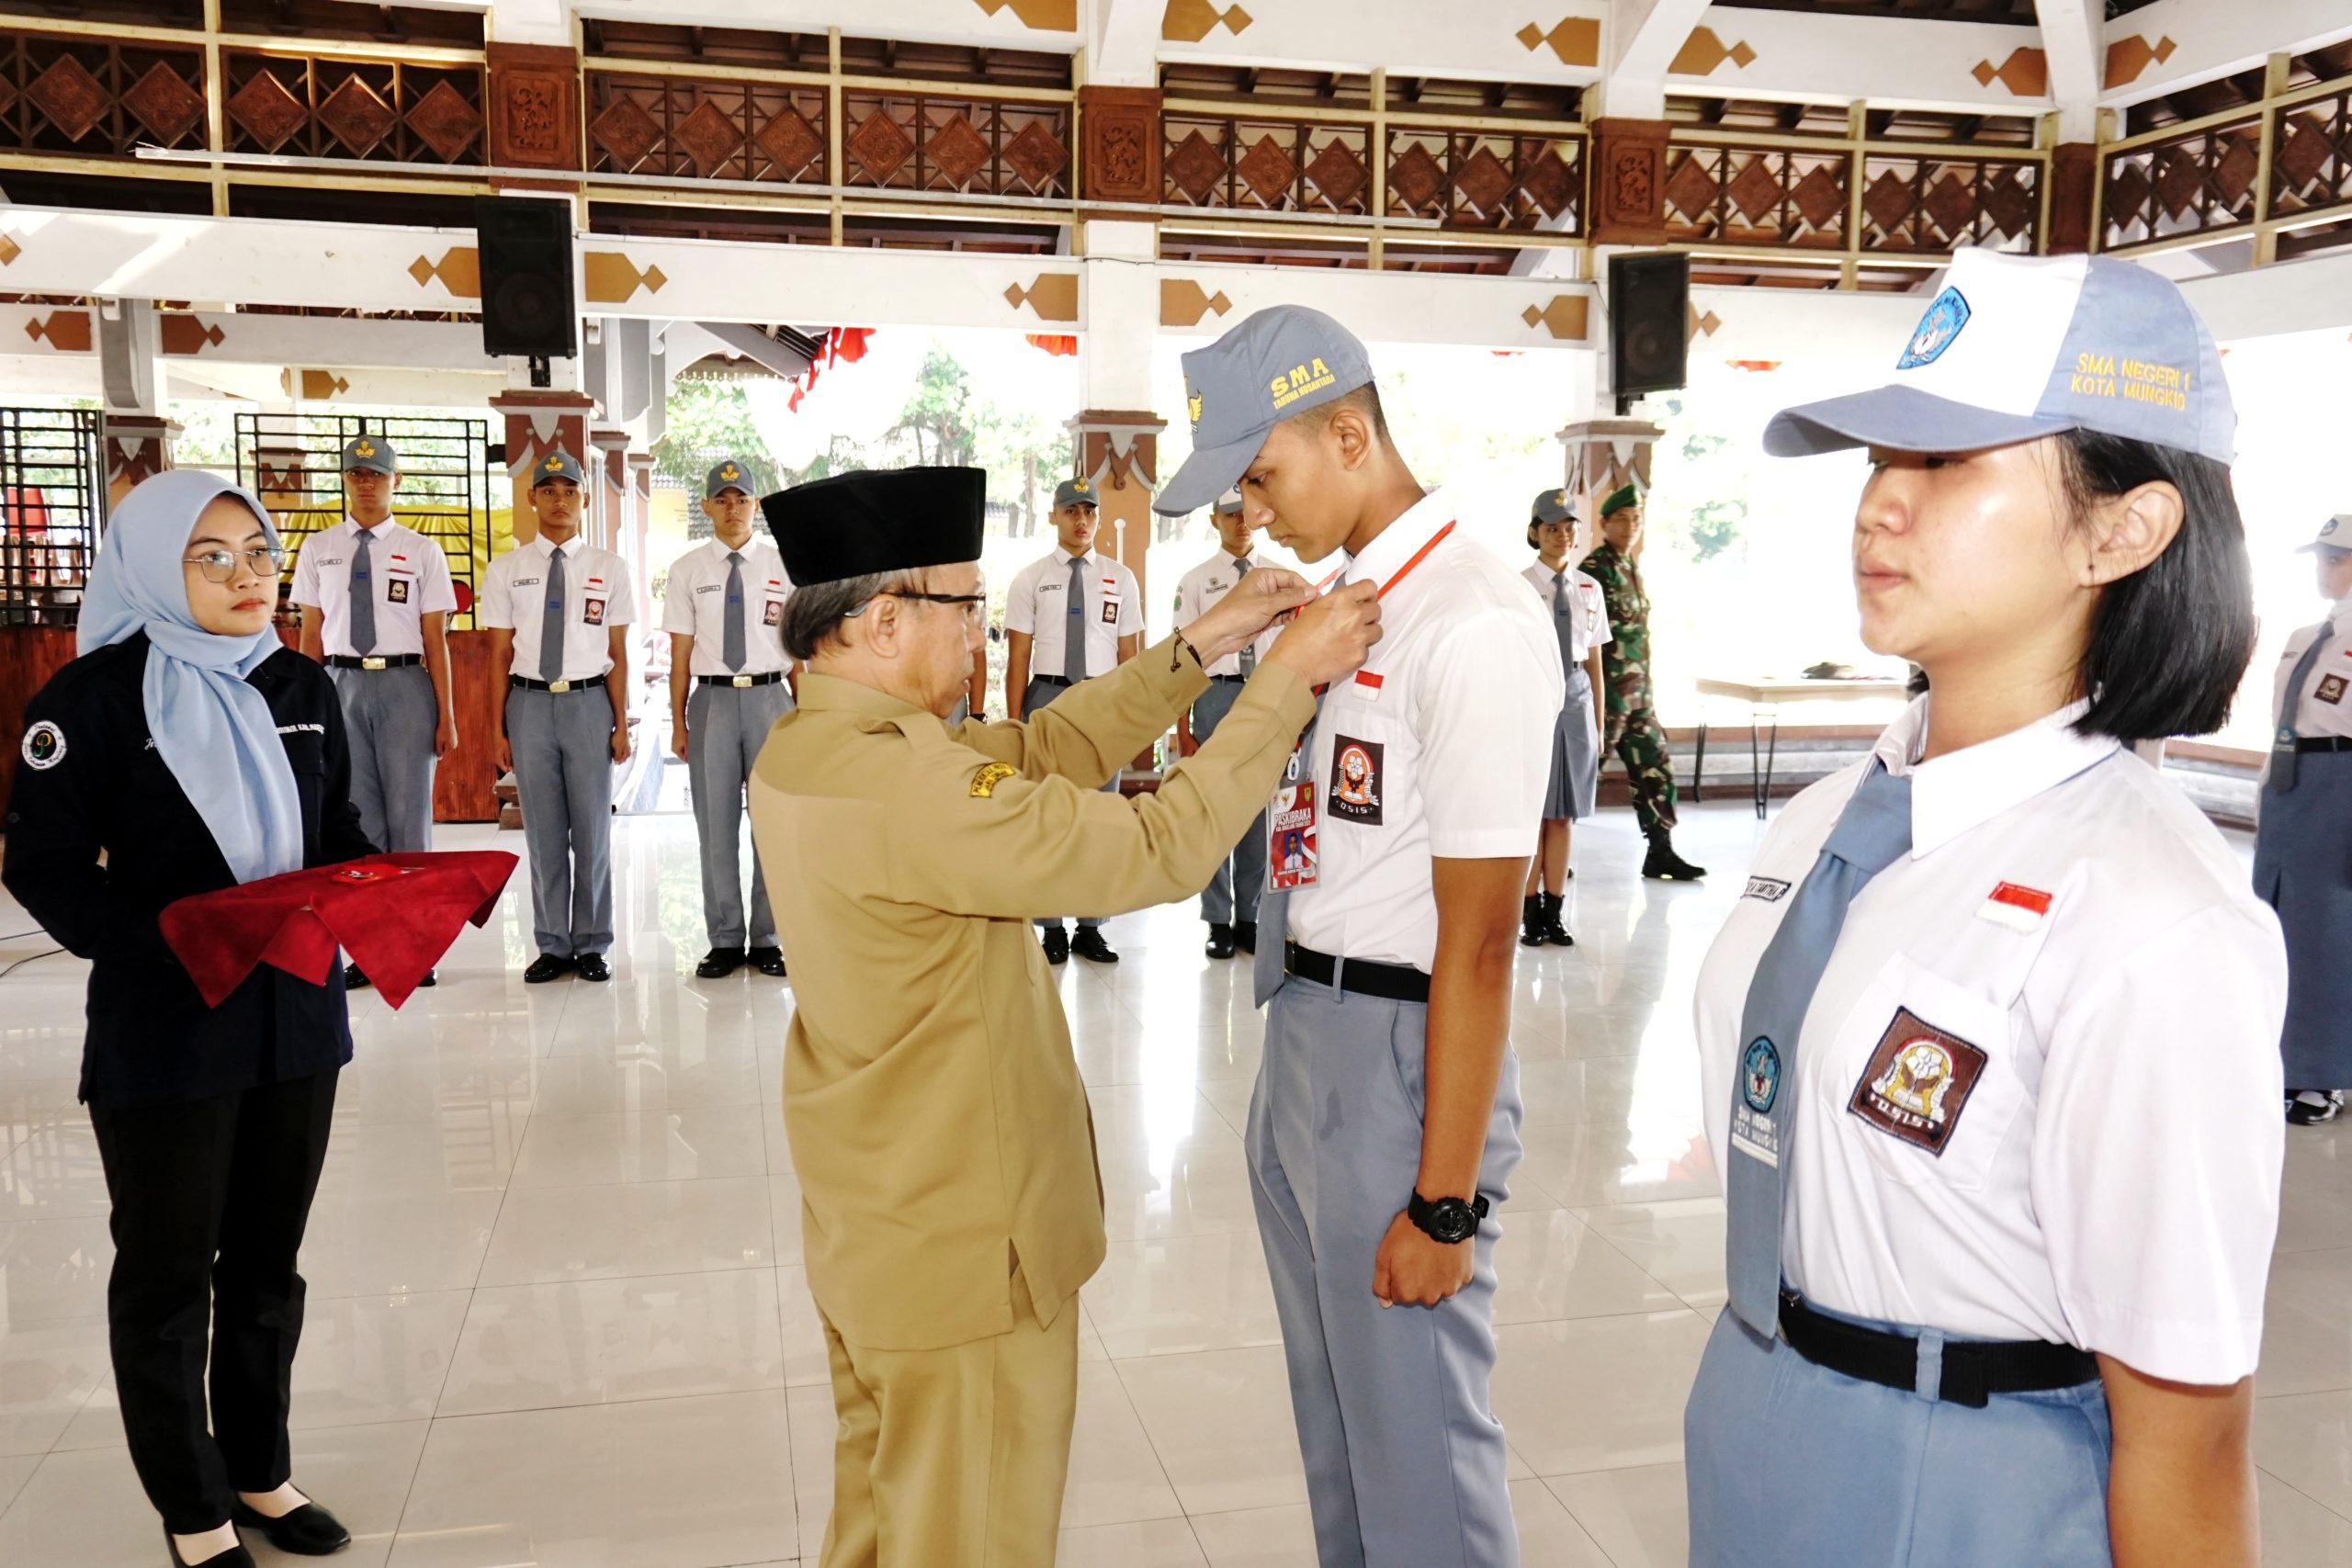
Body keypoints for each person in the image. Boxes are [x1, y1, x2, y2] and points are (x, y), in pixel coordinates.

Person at [1683, 249, 2285, 1568]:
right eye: (1879, 458)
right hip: (1757, 1404)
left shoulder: (2153, 913)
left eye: (1949, 463)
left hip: (1961, 1481)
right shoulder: (1832, 813)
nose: (1881, 505)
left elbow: (2188, 1432)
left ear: (2121, 529)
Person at [746, 465, 1380, 1568]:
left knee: (886, 1523)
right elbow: (1158, 847)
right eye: (966, 608)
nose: (981, 635)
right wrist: (1285, 680)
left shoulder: (817, 747)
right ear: (885, 619)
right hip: (965, 1248)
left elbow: (1045, 754)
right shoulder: (904, 786)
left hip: (882, 1230)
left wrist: (1209, 643)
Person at [1152, 304, 1563, 1568]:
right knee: (1340, 1429)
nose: (1256, 510)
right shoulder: (1349, 604)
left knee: (1418, 1446)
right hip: (1310, 1032)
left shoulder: (1474, 619)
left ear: (1348, 431)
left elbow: (1483, 943)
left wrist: (1441, 1203)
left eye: (1263, 475)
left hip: (1401, 1054)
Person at [4, 471, 372, 1568]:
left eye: (259, 552)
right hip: (168, 1030)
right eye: (213, 557)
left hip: (294, 1019)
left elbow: (336, 825)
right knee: (167, 1278)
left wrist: (379, 891)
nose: (248, 575)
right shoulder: (91, 702)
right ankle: (194, 1506)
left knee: (268, 1264)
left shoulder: (299, 680)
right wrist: (172, 936)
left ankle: (260, 1474)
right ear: (154, 568)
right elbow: (50, 871)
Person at [289, 434, 459, 989]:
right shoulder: (319, 549)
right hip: (338, 685)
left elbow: (436, 638)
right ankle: (370, 947)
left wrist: (447, 713)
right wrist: (302, 707)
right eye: (357, 474)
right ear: (345, 480)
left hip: (407, 684)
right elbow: (310, 634)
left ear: (395, 481)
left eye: (376, 474)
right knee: (357, 826)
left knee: (410, 823)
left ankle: (417, 948)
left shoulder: (422, 550)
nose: (366, 483)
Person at [480, 450, 636, 984]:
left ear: (584, 498)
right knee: (543, 832)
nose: (560, 499)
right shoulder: (506, 570)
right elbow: (499, 653)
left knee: (592, 829)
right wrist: (497, 726)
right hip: (528, 704)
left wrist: (620, 721)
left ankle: (592, 943)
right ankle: (552, 944)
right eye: (549, 490)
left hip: (589, 703)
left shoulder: (609, 569)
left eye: (569, 490)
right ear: (532, 498)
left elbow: (618, 650)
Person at [662, 456, 794, 980]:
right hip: (713, 700)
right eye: (723, 499)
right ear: (706, 507)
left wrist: (806, 715)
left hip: (771, 698)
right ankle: (723, 938)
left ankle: (766, 936)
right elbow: (679, 653)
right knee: (715, 825)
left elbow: (801, 650)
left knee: (773, 824)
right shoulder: (688, 570)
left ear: (755, 505)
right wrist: (677, 722)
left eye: (742, 498)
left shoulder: (783, 566)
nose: (733, 507)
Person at [1002, 475, 1143, 964]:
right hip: (1049, 699)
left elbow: (1131, 654)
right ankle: (1051, 928)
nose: (1081, 521)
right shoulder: (1031, 578)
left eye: (1089, 512)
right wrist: (1017, 721)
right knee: (1049, 818)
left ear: (1097, 518)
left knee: (1099, 819)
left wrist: (1133, 718)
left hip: (1103, 703)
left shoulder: (1120, 578)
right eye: (1071, 511)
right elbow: (1018, 655)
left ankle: (1090, 926)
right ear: (1054, 516)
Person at [2254, 512, 2352, 1126]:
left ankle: (2323, 1074)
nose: (2324, 567)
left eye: (2335, 557)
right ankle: (2280, 1057)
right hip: (2294, 782)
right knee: (2278, 920)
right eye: (2321, 556)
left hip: (2342, 784)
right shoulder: (2304, 634)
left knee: (2328, 930)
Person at [1174, 490, 1283, 959]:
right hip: (1215, 697)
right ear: (1214, 518)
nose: (1241, 523)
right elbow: (1180, 658)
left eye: (1246, 514)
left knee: (1259, 809)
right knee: (1216, 808)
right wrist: (1181, 725)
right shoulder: (1197, 581)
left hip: (1265, 695)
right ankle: (1218, 919)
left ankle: (1250, 918)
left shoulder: (1278, 577)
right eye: (1230, 514)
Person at [1583, 483, 1706, 881]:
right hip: (1606, 696)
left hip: (1639, 697)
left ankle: (1661, 850)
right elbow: (1582, 639)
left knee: (1656, 766)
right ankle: (1543, 851)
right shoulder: (1593, 570)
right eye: (1622, 519)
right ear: (1604, 523)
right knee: (1581, 770)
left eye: (1637, 519)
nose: (1631, 526)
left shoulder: (1630, 565)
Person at [1519, 487, 1609, 948]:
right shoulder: (1518, 587)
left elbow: (1593, 660)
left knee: (1564, 814)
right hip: (1534, 692)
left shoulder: (1589, 589)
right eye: (1551, 527)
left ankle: (1555, 911)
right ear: (1535, 533)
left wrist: (1600, 719)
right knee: (1534, 810)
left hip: (1575, 695)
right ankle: (1529, 911)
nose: (1561, 535)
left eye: (1569, 527)